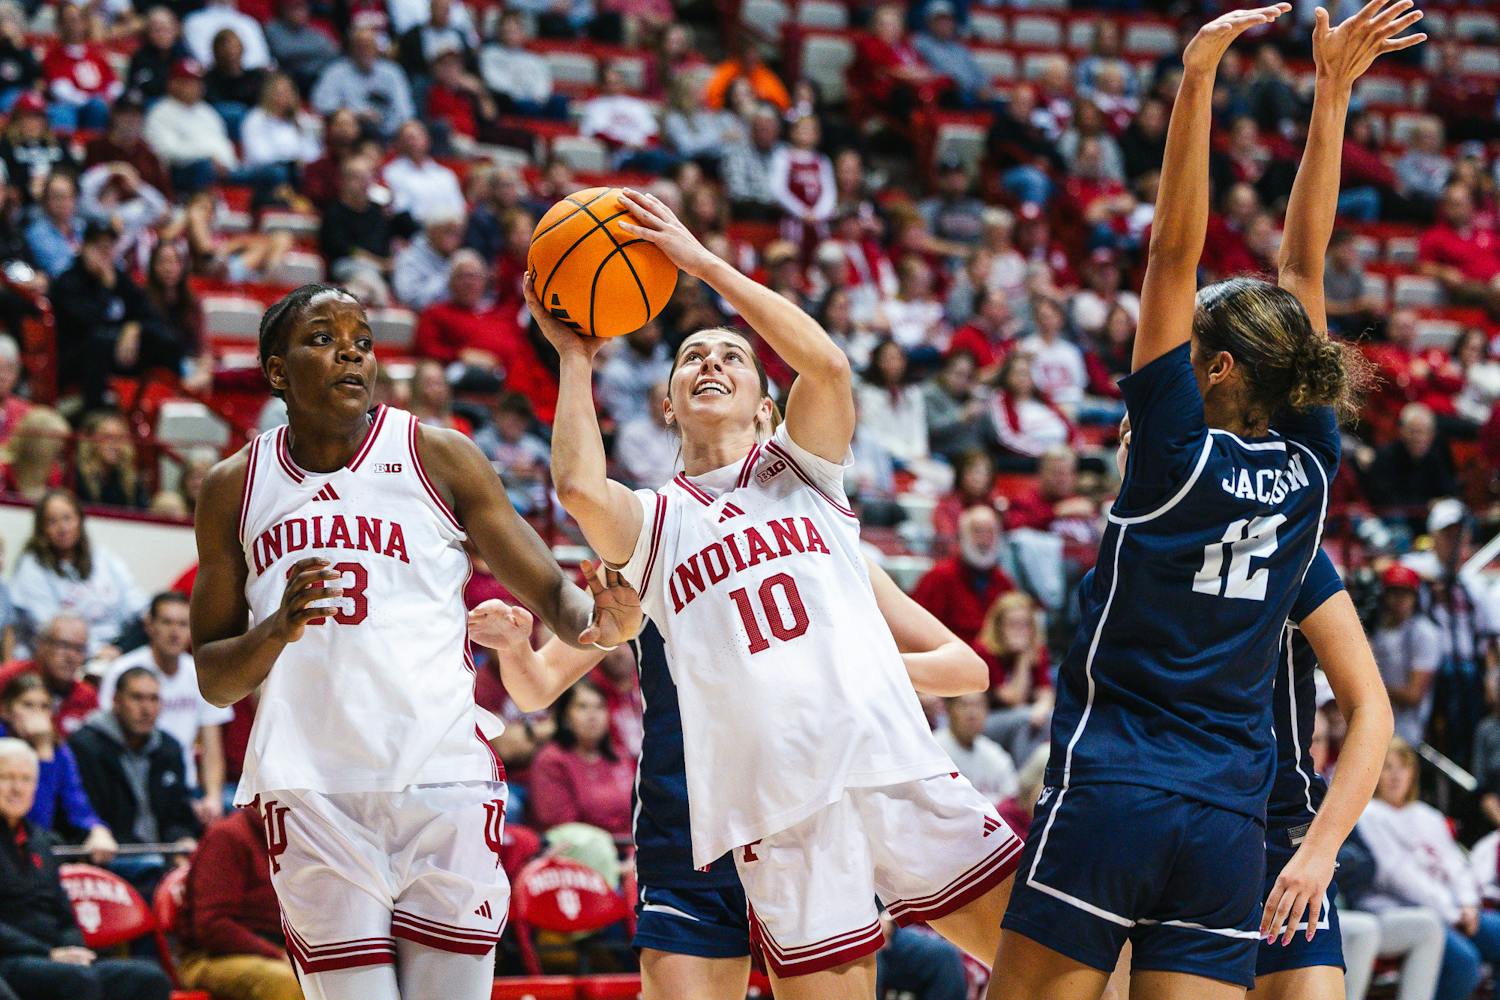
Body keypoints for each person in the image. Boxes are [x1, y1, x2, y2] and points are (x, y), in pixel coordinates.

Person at [990, 6, 1401, 999]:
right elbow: (1303, 270)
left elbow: (1170, 256)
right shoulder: (1309, 473)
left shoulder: (1167, 454)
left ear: (1212, 368)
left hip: (1115, 789)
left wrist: (1198, 77)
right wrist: (1332, 95)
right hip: (1228, 824)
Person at [534, 187, 1022, 998]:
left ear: (768, 407)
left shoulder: (802, 472)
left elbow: (827, 365)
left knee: (1052, 972)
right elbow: (581, 488)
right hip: (777, 807)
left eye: (731, 356)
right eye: (692, 358)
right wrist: (576, 358)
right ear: (667, 406)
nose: (710, 364)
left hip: (887, 760)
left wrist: (701, 263)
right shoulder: (656, 522)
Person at [188, 283, 640, 1000]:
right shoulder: (232, 487)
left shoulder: (438, 455)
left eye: (363, 342)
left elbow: (554, 593)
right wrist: (275, 628)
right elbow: (214, 678)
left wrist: (600, 623)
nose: (351, 355)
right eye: (323, 339)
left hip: (443, 777)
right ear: (276, 371)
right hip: (312, 789)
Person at [472, 546, 988, 1000]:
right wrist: (515, 648)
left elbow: (966, 668)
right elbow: (536, 687)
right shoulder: (644, 546)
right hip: (688, 837)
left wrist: (844, 665)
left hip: (807, 837)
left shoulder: (819, 541)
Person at [0, 738, 171, 1000]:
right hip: (11, 959)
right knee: (77, 980)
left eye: (26, 779)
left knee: (149, 979)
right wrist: (47, 953)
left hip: (55, 958)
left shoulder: (42, 841)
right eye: (7, 777)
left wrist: (73, 949)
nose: (17, 788)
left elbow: (64, 915)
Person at [1359, 738, 1500, 1000]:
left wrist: (1468, 904)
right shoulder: (1368, 814)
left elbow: (1457, 865)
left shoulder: (1428, 815)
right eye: (1387, 767)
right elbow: (1397, 876)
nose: (1395, 775)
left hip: (1456, 910)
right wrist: (1451, 912)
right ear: (1374, 771)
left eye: (1403, 767)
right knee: (1465, 964)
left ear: (1413, 772)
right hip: (1405, 911)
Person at [97, 593, 233, 824]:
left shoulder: (202, 674)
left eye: (182, 624)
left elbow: (212, 746)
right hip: (133, 786)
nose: (175, 632)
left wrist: (213, 796)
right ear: (149, 625)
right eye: (167, 622)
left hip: (185, 787)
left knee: (235, 808)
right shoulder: (122, 670)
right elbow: (108, 735)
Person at [68, 667, 201, 896]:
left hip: (162, 860)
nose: (146, 708)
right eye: (137, 698)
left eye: (154, 699)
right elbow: (81, 812)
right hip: (112, 859)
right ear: (116, 701)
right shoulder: (85, 746)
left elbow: (179, 814)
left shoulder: (169, 748)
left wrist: (181, 839)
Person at [50, 221, 181, 410]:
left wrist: (134, 328)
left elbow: (148, 313)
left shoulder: (119, 278)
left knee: (166, 340)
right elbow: (88, 322)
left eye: (109, 248)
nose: (104, 254)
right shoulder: (68, 282)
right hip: (77, 358)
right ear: (84, 247)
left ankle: (167, 402)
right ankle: (95, 409)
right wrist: (105, 289)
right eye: (98, 247)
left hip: (120, 351)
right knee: (101, 341)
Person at [176, 807, 302, 1000]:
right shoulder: (227, 837)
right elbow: (212, 926)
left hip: (276, 949)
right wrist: (277, 954)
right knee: (287, 981)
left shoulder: (295, 838)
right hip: (212, 957)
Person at [11, 491, 147, 659]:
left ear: (80, 520)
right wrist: (96, 651)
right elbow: (46, 626)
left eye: (68, 518)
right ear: (41, 529)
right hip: (67, 653)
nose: (63, 528)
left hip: (117, 646)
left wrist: (149, 617)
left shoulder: (101, 556)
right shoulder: (32, 566)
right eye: (52, 521)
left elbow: (134, 600)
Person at [0, 673, 116, 862]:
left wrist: (97, 830)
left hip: (39, 845)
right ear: (5, 710)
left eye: (44, 706)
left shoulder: (59, 750)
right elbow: (28, 817)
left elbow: (77, 803)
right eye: (28, 705)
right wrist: (43, 753)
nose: (37, 713)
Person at [526, 680, 633, 836]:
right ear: (565, 717)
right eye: (582, 707)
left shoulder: (619, 756)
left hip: (630, 843)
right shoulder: (551, 760)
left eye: (600, 707)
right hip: (577, 845)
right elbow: (561, 825)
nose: (593, 715)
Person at [911, 506, 1017, 648]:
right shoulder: (938, 577)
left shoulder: (1004, 582)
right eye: (978, 531)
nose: (984, 539)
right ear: (962, 536)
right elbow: (917, 629)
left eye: (990, 532)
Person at [1371, 563, 1441, 747]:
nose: (1399, 599)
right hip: (1380, 719)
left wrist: (1371, 687)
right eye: (1394, 592)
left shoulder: (1423, 632)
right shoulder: (1380, 629)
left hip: (1410, 727)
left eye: (1405, 593)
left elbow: (1413, 695)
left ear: (1415, 596)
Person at [0, 614, 96, 739]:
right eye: (63, 645)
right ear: (41, 645)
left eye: (79, 649)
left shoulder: (87, 697)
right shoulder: (8, 677)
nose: (71, 656)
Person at [310, 28, 415, 141]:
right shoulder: (336, 72)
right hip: (352, 133)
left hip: (388, 133)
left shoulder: (392, 72)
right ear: (351, 49)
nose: (365, 51)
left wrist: (388, 123)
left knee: (412, 129)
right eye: (360, 46)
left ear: (377, 48)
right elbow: (321, 103)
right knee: (344, 119)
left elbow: (405, 111)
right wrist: (356, 113)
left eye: (369, 46)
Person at [935, 692, 1018, 805]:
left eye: (979, 705)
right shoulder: (934, 749)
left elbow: (1012, 799)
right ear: (949, 710)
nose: (972, 714)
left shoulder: (995, 753)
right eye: (964, 705)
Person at [380, 121, 464, 226]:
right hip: (413, 230)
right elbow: (400, 210)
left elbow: (459, 208)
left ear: (427, 140)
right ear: (399, 143)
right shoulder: (391, 173)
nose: (413, 142)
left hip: (449, 229)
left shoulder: (445, 175)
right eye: (408, 138)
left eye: (417, 137)